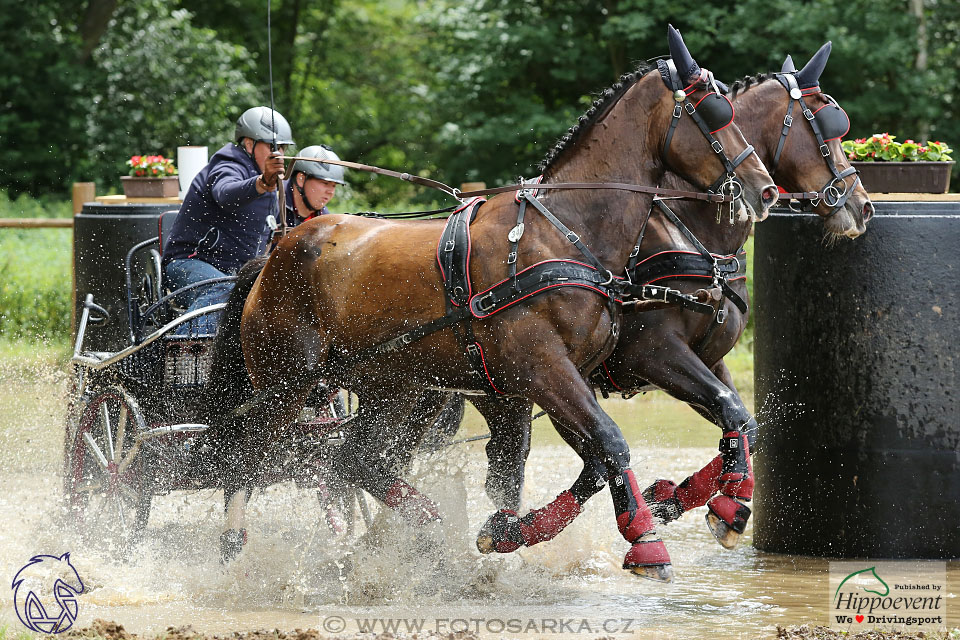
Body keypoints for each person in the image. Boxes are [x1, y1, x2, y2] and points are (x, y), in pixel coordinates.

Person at [161, 106, 293, 332]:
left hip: (237, 276)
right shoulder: (228, 164)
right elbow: (225, 193)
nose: (278, 154)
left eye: (282, 147)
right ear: (249, 144)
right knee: (224, 292)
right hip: (186, 264)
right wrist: (262, 183)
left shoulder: (275, 184)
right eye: (272, 147)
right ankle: (179, 358)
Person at [285, 144, 346, 226]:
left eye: (334, 185)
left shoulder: (324, 219)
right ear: (301, 179)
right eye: (325, 183)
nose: (331, 192)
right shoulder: (272, 203)